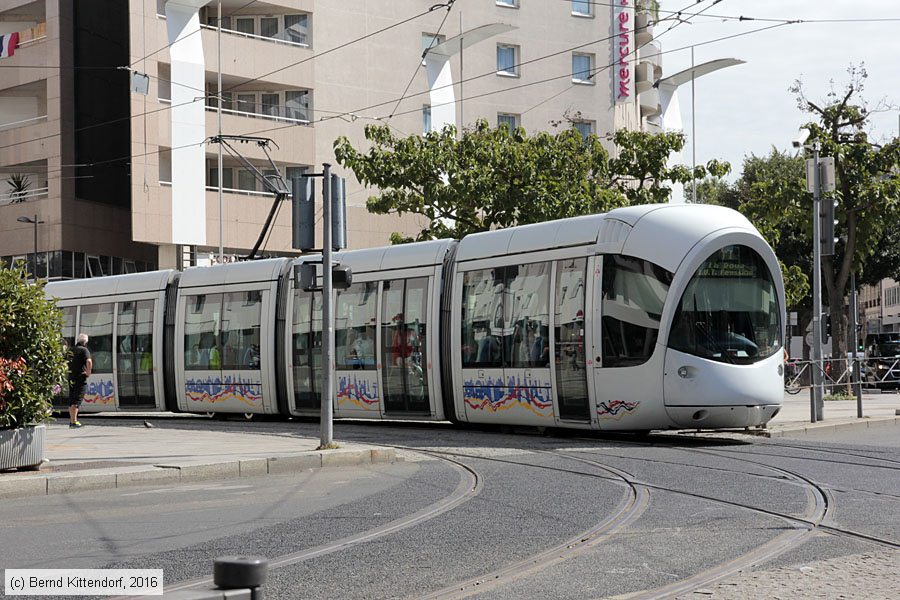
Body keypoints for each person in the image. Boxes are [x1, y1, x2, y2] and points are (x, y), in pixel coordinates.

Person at [67, 332, 92, 428]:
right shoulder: (84, 350)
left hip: (71, 377)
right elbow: (89, 361)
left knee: (71, 398)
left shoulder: (71, 349)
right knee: (77, 400)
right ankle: (74, 421)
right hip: (80, 377)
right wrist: (88, 372)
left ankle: (71, 420)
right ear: (85, 342)